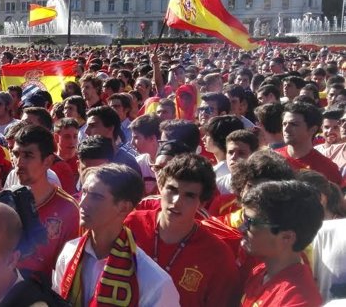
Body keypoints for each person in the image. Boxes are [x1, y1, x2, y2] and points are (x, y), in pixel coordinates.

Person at [53, 164, 179, 306]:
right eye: (84, 192)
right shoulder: (69, 252)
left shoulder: (153, 281)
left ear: (124, 207)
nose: (82, 203)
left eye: (96, 197)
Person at [124, 153, 241, 307]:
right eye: (172, 190)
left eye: (189, 196)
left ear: (202, 203)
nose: (176, 201)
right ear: (160, 187)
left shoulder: (217, 255)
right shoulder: (131, 225)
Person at [12, 124, 79, 281]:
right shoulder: (6, 201)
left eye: (28, 155)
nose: (19, 162)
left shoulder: (68, 209)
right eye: (16, 154)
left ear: (48, 161)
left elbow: (69, 271)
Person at [239, 181, 323, 306]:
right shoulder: (260, 272)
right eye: (243, 219)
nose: (241, 228)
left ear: (287, 237)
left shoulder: (298, 300)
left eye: (250, 222)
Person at [276, 102, 343, 187]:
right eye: (284, 124)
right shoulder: (271, 158)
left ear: (313, 129)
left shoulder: (328, 168)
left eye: (294, 124)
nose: (286, 129)